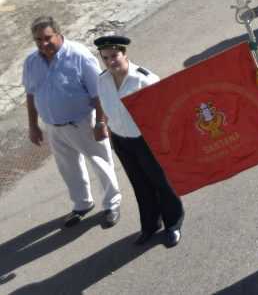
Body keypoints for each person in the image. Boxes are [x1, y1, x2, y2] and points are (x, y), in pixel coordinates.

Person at [23, 16, 121, 228]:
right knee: (68, 168)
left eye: (47, 38)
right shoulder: (31, 62)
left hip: (84, 122)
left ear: (58, 34)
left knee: (100, 162)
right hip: (54, 127)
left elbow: (99, 94)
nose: (43, 44)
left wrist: (101, 122)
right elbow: (30, 95)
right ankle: (82, 203)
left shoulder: (79, 56)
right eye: (38, 40)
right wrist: (33, 125)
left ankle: (112, 203)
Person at [94, 35, 183, 246]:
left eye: (114, 56)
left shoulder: (144, 79)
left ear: (124, 53)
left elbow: (165, 110)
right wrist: (101, 123)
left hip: (146, 140)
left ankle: (173, 224)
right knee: (140, 184)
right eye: (105, 58)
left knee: (161, 183)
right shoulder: (102, 79)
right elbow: (104, 104)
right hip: (121, 139)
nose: (110, 62)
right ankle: (150, 225)